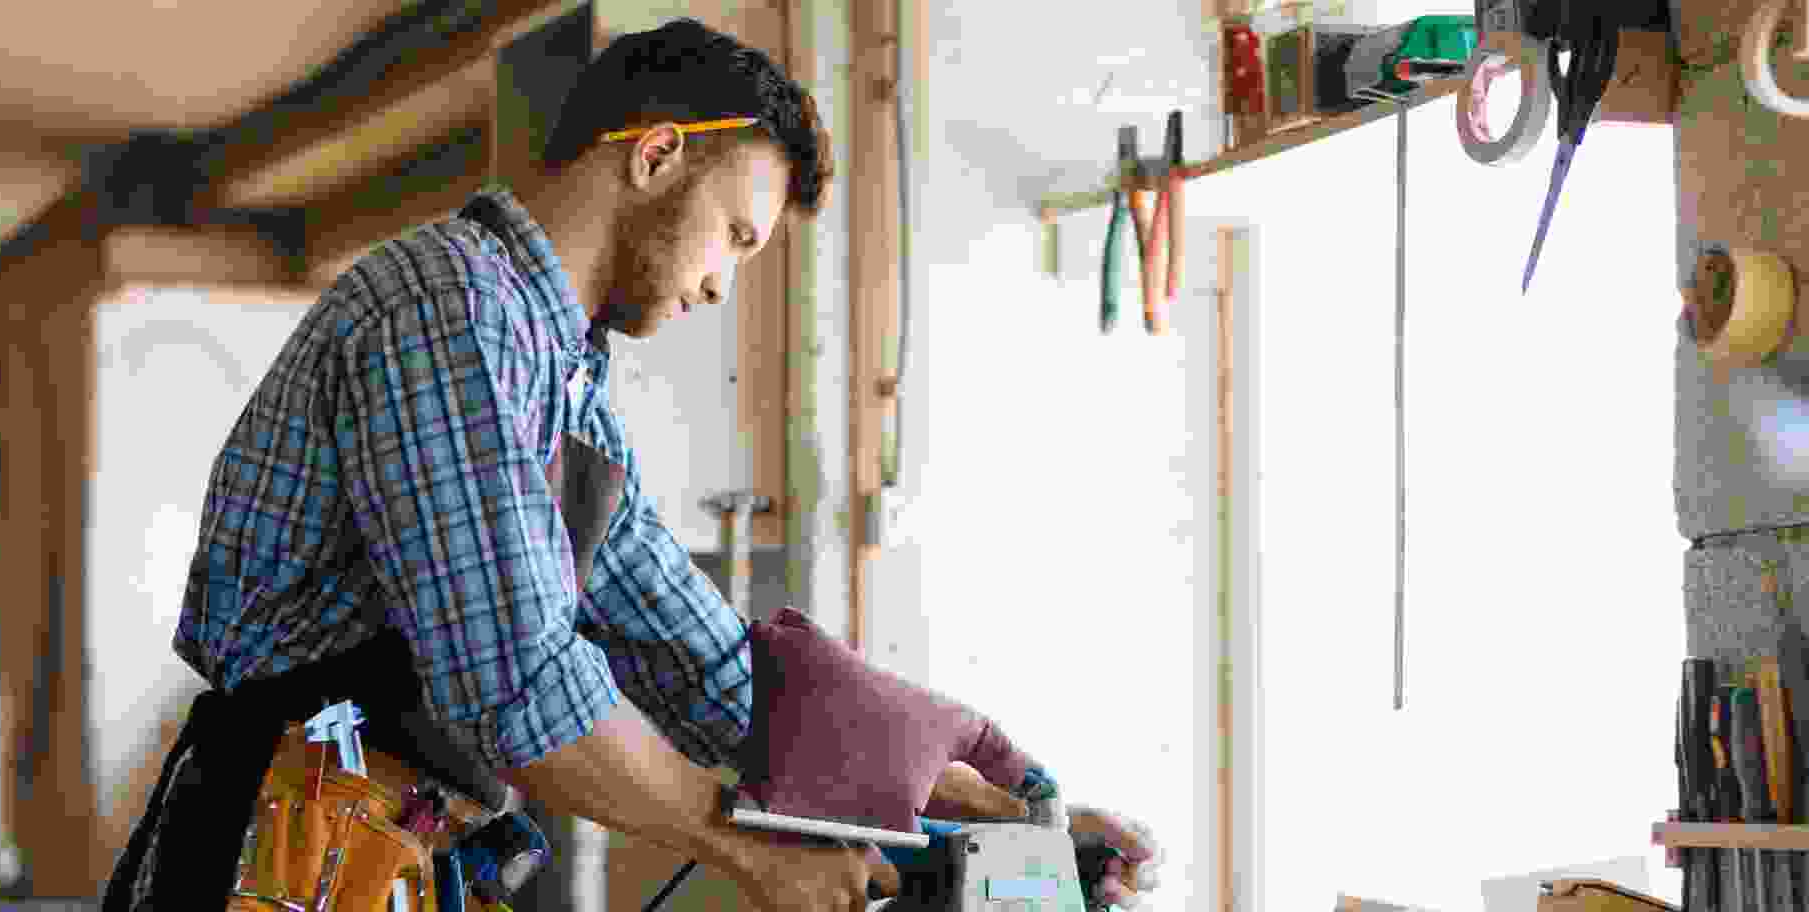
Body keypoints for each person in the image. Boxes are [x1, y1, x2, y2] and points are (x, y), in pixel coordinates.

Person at [103, 18, 1161, 912]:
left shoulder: (564, 386)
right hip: (278, 849)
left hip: (379, 847)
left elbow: (713, 670)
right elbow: (515, 679)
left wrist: (1007, 817)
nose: (723, 285)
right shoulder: (447, 312)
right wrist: (742, 847)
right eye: (734, 236)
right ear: (654, 156)